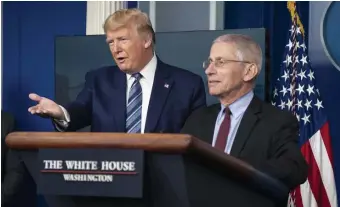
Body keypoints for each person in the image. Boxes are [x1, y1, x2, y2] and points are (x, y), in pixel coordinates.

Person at [28, 8, 206, 133]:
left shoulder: (187, 85)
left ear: (146, 40)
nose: (116, 48)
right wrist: (60, 112)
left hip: (164, 184)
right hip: (112, 181)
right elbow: (79, 111)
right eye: (111, 42)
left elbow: (197, 141)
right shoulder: (99, 80)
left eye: (122, 39)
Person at [180, 34, 308, 192]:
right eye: (210, 62)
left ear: (249, 71)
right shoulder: (197, 119)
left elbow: (294, 169)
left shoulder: (277, 121)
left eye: (220, 62)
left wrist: (235, 170)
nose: (209, 70)